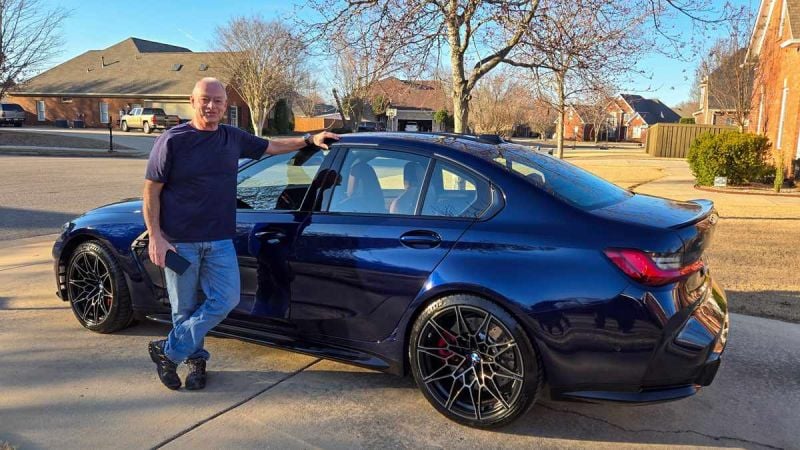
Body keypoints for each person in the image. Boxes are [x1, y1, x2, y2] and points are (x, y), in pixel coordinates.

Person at [143, 77, 338, 390]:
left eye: (218, 101)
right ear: (192, 101)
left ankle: (167, 351)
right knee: (184, 308)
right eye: (205, 99)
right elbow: (151, 191)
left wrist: (309, 139)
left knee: (225, 299)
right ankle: (195, 363)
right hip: (179, 245)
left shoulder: (231, 137)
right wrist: (157, 236)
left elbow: (272, 146)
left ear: (225, 105)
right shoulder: (172, 140)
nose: (212, 106)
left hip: (219, 242)